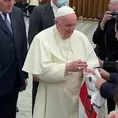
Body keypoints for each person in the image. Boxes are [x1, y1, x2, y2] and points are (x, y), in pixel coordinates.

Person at [23, 6, 100, 118]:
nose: (72, 29)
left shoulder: (81, 38)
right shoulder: (41, 39)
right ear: (57, 22)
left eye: (74, 25)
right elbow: (40, 72)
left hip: (76, 96)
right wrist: (66, 67)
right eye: (68, 25)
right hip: (53, 97)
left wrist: (88, 70)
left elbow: (91, 63)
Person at [28, 0, 68, 112]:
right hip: (44, 63)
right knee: (39, 98)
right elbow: (32, 39)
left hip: (61, 64)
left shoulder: (67, 12)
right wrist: (36, 65)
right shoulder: (39, 11)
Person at [0, 0, 28, 117]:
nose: (11, 3)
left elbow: (22, 44)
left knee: (9, 113)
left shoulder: (17, 13)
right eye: (6, 0)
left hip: (14, 79)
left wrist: (24, 74)